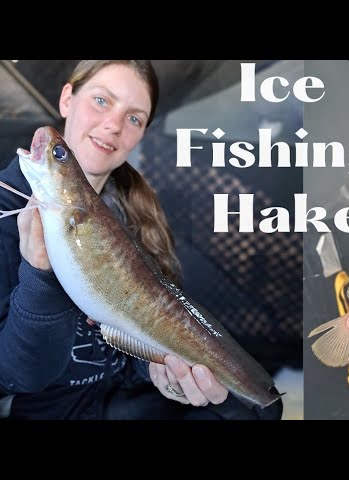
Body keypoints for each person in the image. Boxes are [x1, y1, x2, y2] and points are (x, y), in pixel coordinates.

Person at [0, 60, 282, 420]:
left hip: (129, 402)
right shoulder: (6, 211)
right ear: (68, 98)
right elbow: (17, 376)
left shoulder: (140, 215)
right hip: (47, 408)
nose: (114, 125)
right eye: (101, 100)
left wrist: (158, 372)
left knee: (257, 410)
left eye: (134, 118)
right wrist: (40, 276)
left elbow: (138, 332)